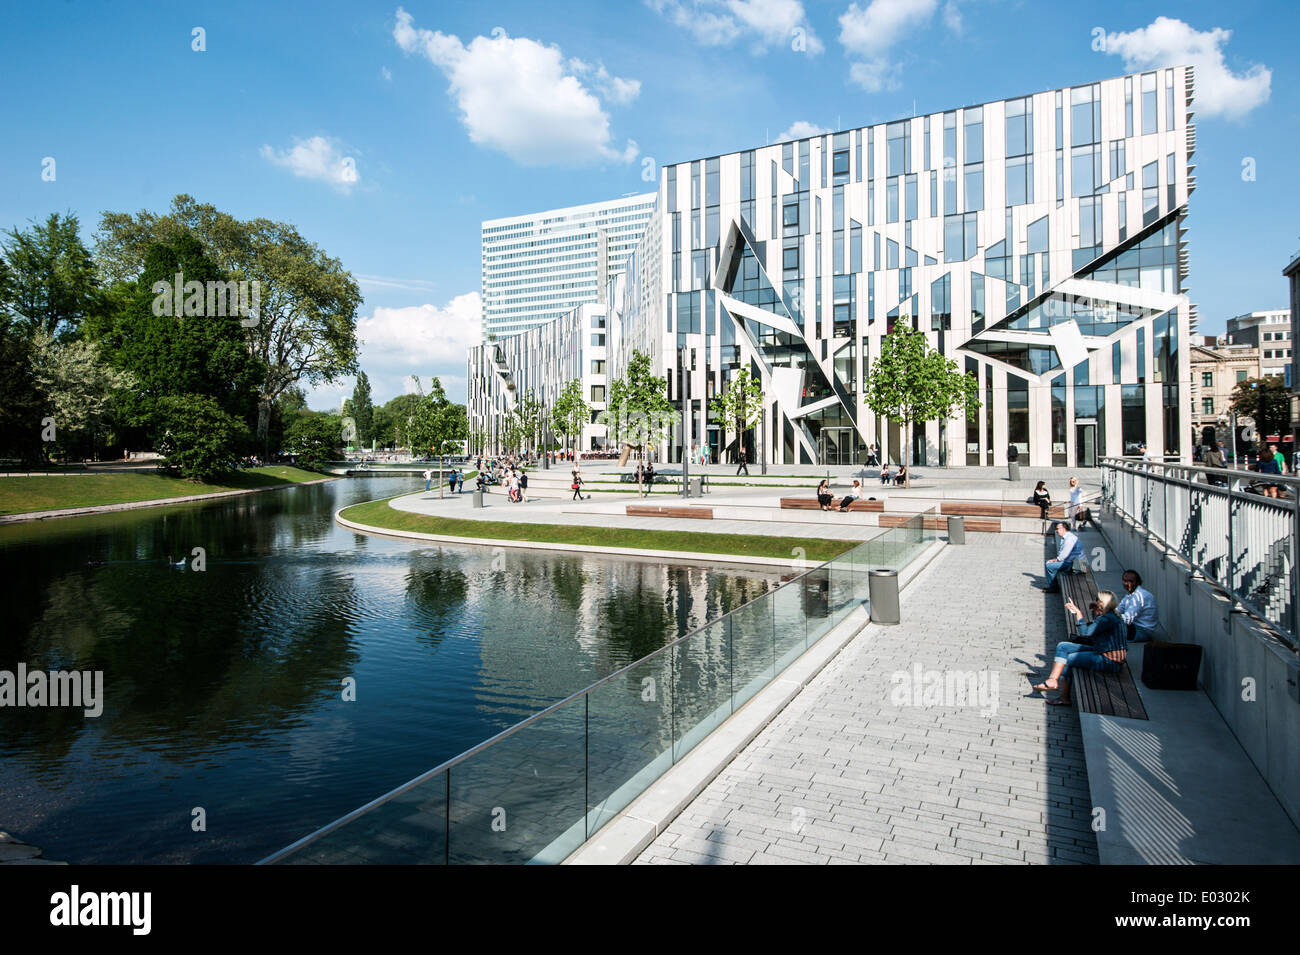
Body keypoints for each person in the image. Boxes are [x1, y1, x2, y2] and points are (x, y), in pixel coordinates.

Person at [1033, 591, 1127, 705]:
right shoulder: (1111, 614)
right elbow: (1095, 627)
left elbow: (1086, 632)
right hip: (1100, 651)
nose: (1095, 601)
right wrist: (1094, 612)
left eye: (1097, 599)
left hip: (1110, 661)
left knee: (1069, 659)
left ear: (1102, 602)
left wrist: (1078, 612)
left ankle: (1064, 698)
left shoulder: (1107, 619)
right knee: (1063, 646)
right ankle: (1052, 680)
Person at [1039, 521, 1084, 592]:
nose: (1056, 531)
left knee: (1049, 565)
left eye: (1058, 529)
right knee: (1049, 563)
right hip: (1072, 561)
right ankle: (1054, 584)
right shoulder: (1068, 536)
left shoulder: (1069, 539)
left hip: (1074, 564)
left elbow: (1065, 554)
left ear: (1063, 529)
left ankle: (1054, 587)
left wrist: (1056, 560)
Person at [1117, 570, 1159, 642]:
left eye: (1130, 581)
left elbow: (1127, 619)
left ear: (1138, 582)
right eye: (1124, 580)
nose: (1127, 584)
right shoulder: (1130, 595)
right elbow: (1118, 610)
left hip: (1141, 631)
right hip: (1133, 627)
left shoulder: (1139, 596)